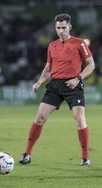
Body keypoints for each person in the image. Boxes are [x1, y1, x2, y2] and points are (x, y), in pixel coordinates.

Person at [19, 13, 95, 166]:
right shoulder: (52, 45)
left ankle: (85, 157)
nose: (61, 31)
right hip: (55, 86)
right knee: (40, 117)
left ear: (70, 27)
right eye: (58, 28)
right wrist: (40, 81)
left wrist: (78, 79)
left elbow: (91, 65)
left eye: (63, 27)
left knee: (79, 119)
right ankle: (27, 154)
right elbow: (48, 67)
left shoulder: (79, 43)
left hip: (73, 85)